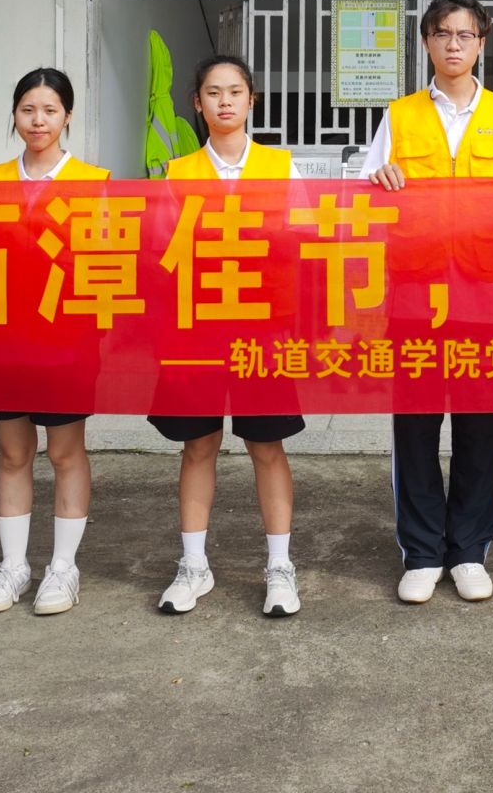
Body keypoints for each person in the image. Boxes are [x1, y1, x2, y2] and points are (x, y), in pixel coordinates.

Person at [364, 0, 493, 605]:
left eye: (465, 35)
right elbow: (364, 195)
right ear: (426, 43)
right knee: (415, 427)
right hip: (414, 295)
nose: (454, 44)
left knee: (477, 427)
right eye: (442, 34)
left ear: (482, 43)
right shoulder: (400, 115)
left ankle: (468, 550)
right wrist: (378, 178)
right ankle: (420, 552)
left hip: (482, 294)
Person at [0, 68, 109, 619]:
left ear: (68, 117)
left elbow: (105, 258)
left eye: (49, 110)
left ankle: (63, 567)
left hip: (66, 337)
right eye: (27, 110)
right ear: (14, 114)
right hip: (3, 337)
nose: (38, 121)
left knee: (65, 452)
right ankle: (13, 565)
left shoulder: (94, 180)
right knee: (13, 452)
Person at [150, 54, 306, 620]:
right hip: (197, 329)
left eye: (235, 92)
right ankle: (194, 565)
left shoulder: (281, 167)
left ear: (251, 101)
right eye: (213, 92)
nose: (224, 102)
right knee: (198, 445)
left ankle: (280, 567)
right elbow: (161, 254)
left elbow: (302, 244)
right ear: (197, 103)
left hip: (262, 327)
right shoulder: (176, 173)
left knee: (267, 446)